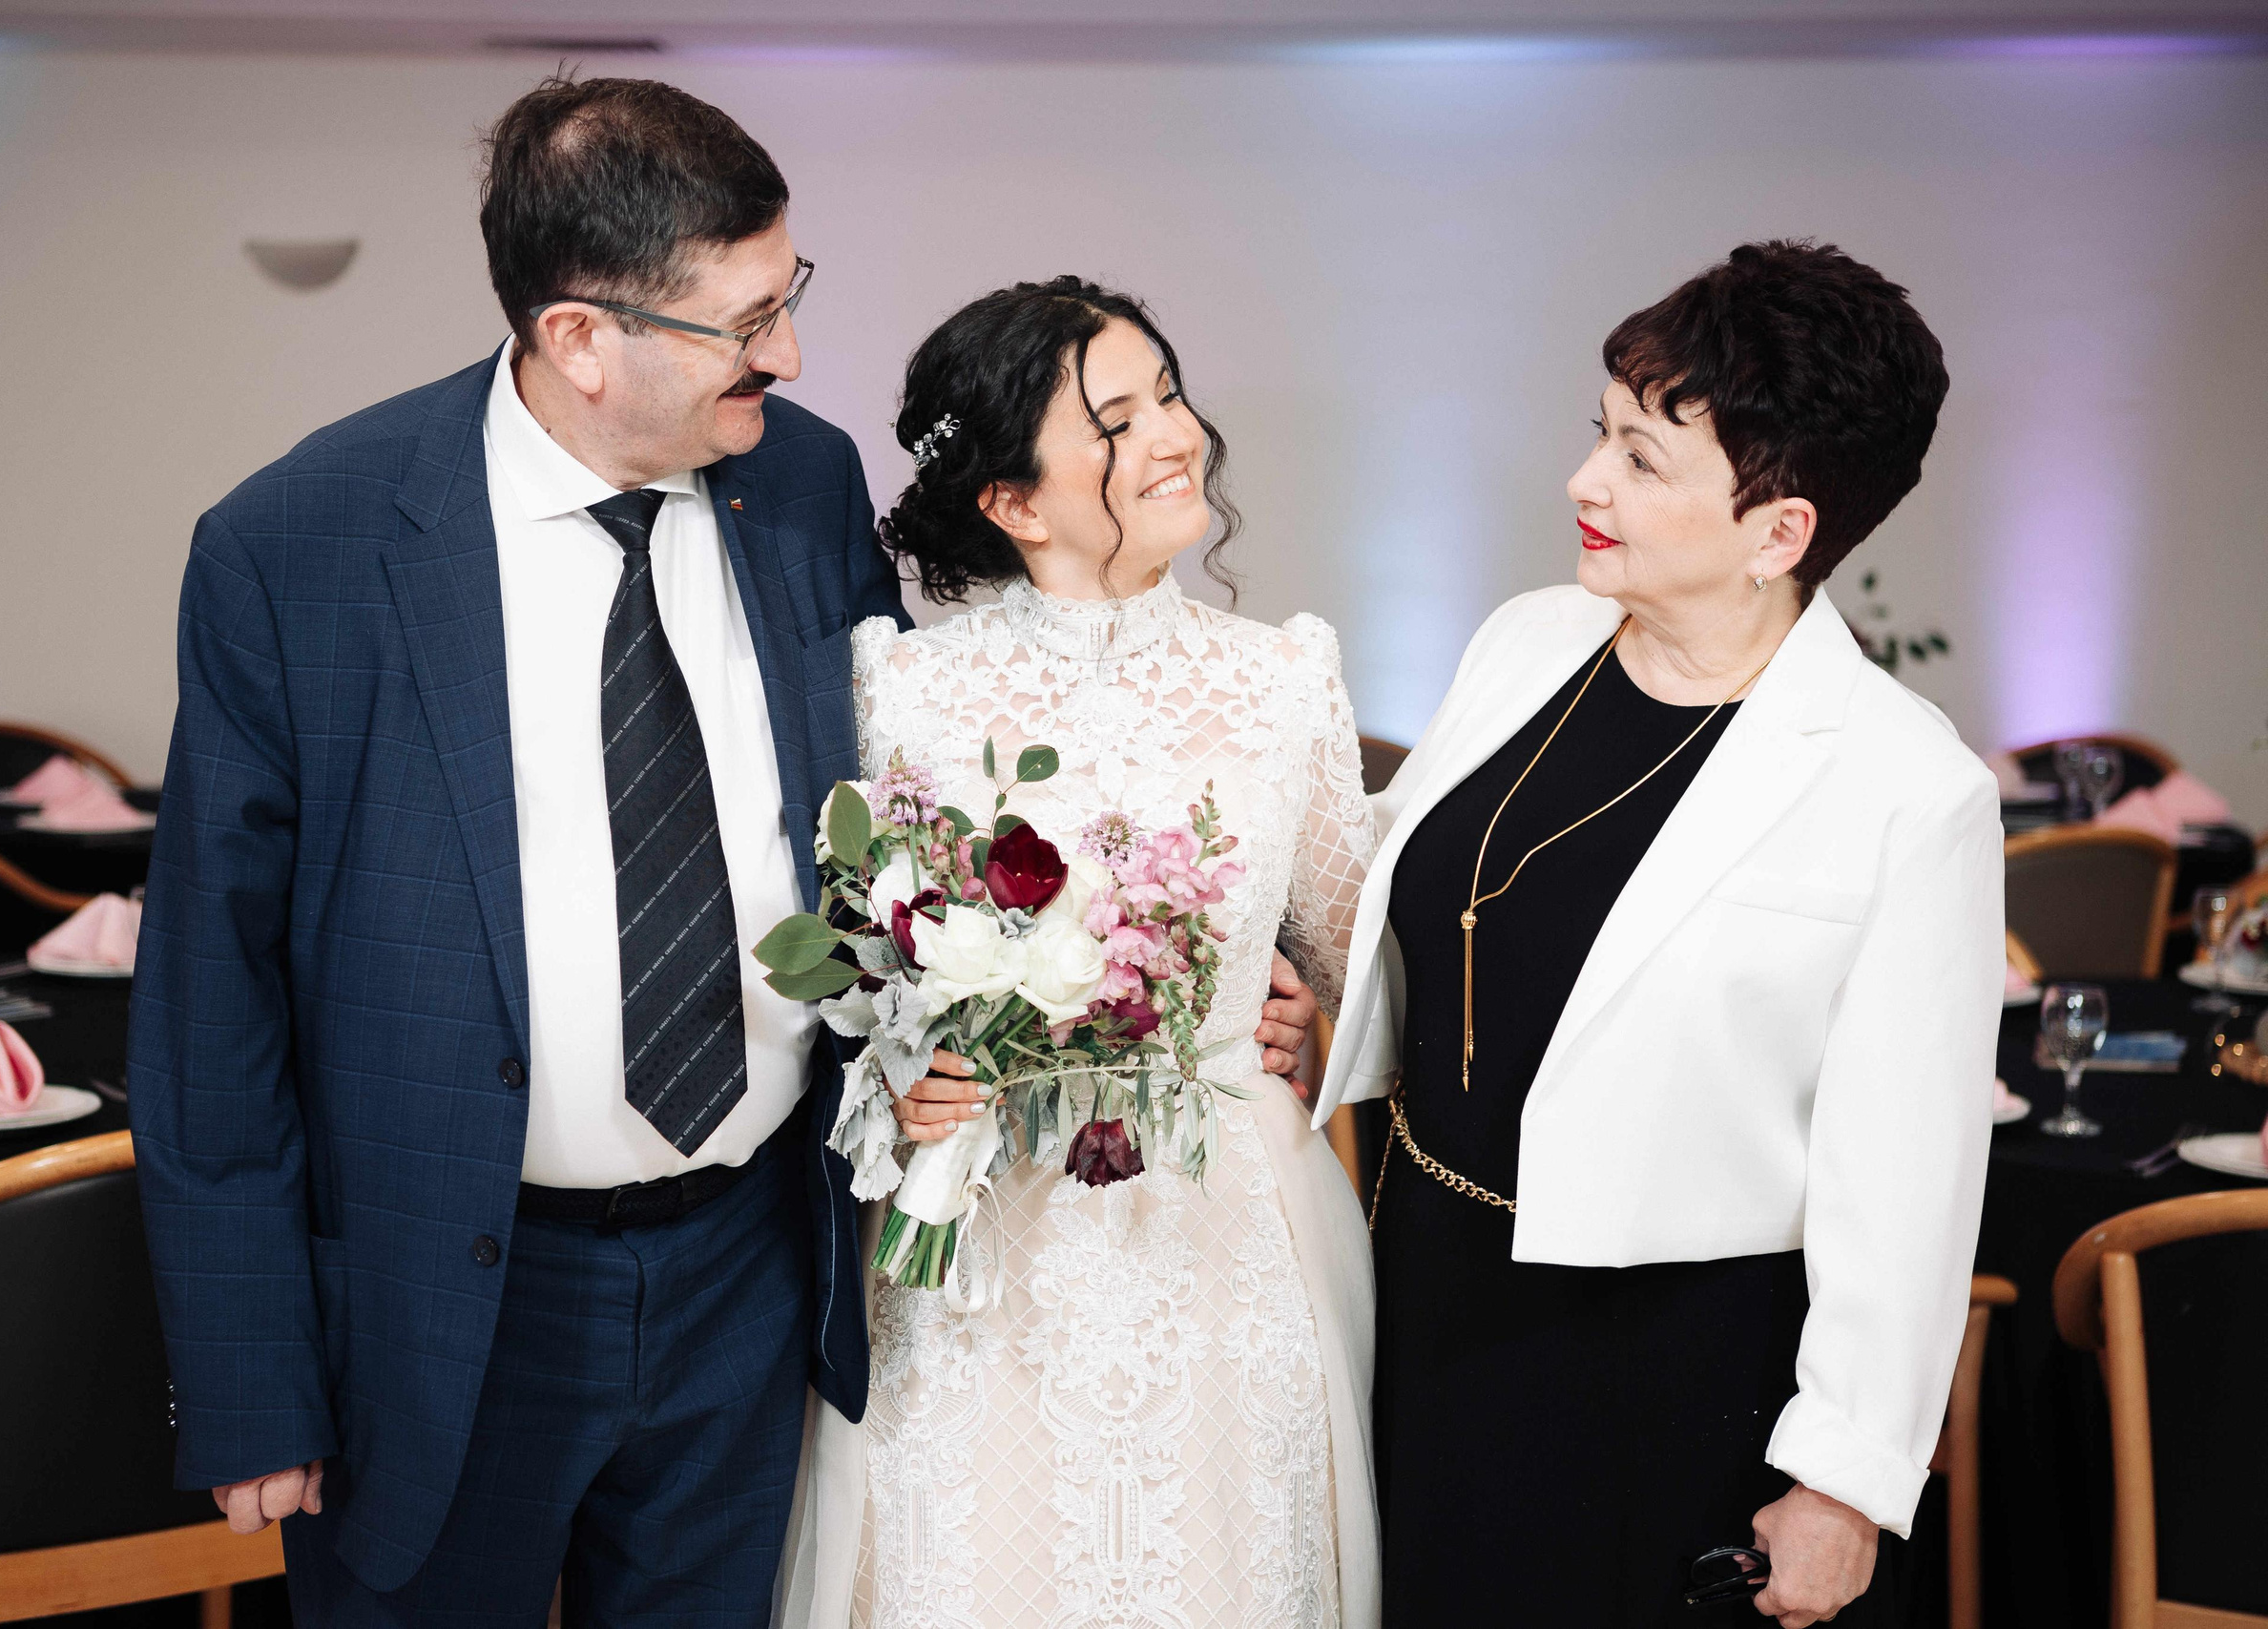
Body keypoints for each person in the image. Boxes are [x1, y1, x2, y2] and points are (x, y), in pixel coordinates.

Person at [128, 79, 1320, 1625]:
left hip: (753, 1275)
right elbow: (209, 996)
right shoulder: (302, 546)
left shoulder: (799, 485)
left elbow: (923, 813)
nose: (792, 354)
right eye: (747, 321)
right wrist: (249, 1378)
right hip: (446, 1302)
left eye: (788, 294)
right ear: (580, 337)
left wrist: (1195, 978)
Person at [1313, 241, 2001, 1627]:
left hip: (1663, 1361)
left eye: (1641, 458)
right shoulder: (1529, 639)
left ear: (1779, 533)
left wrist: (1843, 1485)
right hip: (1431, 1282)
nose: (1586, 481)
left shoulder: (1905, 786)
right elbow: (1415, 894)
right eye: (1601, 432)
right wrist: (1297, 990)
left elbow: (1908, 1176)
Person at [780, 278, 1381, 1629]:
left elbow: (1365, 968)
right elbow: (852, 976)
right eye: (1116, 420)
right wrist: (904, 1075)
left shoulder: (1286, 680)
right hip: (980, 1252)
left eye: (1169, 393)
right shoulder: (899, 691)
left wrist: (1298, 1017)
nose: (1176, 434)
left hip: (1220, 1241)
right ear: (1012, 500)